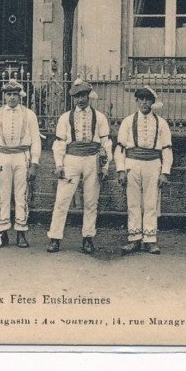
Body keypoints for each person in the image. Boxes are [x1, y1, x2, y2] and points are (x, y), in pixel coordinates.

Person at [45, 79, 113, 254]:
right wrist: (59, 164)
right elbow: (59, 143)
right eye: (76, 96)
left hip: (92, 159)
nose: (80, 100)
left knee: (91, 201)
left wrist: (105, 167)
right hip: (71, 160)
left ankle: (88, 238)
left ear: (88, 95)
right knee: (62, 200)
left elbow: (106, 143)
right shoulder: (65, 118)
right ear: (72, 98)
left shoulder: (100, 117)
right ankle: (55, 238)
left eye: (83, 95)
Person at [114, 85, 173, 254]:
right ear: (137, 101)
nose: (144, 103)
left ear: (152, 102)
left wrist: (165, 172)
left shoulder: (161, 123)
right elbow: (120, 148)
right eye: (141, 99)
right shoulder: (127, 121)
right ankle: (134, 239)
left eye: (147, 100)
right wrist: (121, 169)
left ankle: (150, 239)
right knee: (133, 202)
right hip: (132, 163)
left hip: (153, 164)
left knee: (151, 203)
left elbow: (167, 149)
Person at [0, 80, 42, 248]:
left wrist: (34, 164)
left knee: (22, 195)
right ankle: (2, 232)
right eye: (8, 94)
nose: (12, 98)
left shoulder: (29, 114)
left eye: (15, 94)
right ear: (4, 96)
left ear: (20, 96)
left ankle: (21, 232)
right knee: (2, 194)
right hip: (2, 156)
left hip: (22, 157)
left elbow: (36, 141)